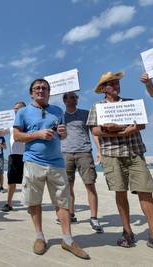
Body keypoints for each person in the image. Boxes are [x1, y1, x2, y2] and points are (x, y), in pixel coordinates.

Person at [87, 71, 153, 257]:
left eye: (116, 83)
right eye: (111, 84)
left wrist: (120, 129)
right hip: (112, 155)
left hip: (135, 151)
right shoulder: (96, 107)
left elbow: (141, 125)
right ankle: (127, 231)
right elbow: (96, 130)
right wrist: (119, 131)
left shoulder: (131, 103)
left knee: (146, 191)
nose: (115, 86)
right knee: (120, 192)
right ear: (103, 89)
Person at [14, 78, 89, 259]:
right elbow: (17, 136)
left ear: (49, 92)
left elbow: (62, 136)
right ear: (31, 92)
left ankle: (68, 240)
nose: (41, 90)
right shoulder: (23, 112)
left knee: (63, 202)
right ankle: (39, 237)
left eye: (45, 88)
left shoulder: (57, 111)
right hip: (33, 162)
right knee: (34, 201)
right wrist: (37, 134)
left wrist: (63, 134)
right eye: (37, 88)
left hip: (57, 162)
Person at [59, 92, 103, 233]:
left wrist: (99, 150)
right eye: (70, 97)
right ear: (65, 100)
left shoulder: (86, 113)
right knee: (68, 186)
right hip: (66, 153)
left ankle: (94, 217)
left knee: (90, 184)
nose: (74, 99)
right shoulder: (60, 117)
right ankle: (71, 214)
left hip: (84, 152)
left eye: (75, 97)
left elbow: (94, 133)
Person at [0, 101, 26, 212]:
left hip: (27, 155)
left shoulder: (29, 121)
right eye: (14, 108)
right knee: (11, 181)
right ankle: (9, 204)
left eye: (17, 108)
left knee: (29, 181)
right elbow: (1, 133)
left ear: (24, 109)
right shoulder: (11, 123)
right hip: (13, 155)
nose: (15, 110)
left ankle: (31, 204)